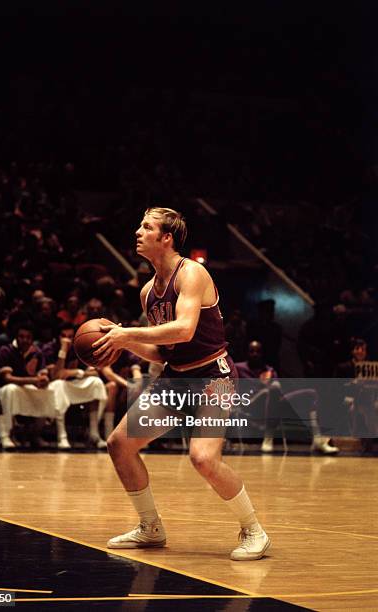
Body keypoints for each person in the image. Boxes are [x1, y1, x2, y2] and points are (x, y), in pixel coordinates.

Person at [93, 207, 270, 561]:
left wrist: (128, 332)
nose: (138, 232)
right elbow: (164, 350)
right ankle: (150, 527)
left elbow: (185, 328)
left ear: (166, 237)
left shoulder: (193, 273)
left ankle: (254, 530)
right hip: (176, 376)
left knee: (203, 458)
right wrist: (124, 342)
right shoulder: (148, 292)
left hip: (213, 376)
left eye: (147, 227)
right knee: (119, 444)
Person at [236, 341, 339, 454]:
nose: (255, 354)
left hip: (272, 405)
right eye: (252, 351)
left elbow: (277, 393)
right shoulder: (238, 368)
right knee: (272, 388)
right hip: (250, 403)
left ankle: (317, 439)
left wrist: (268, 384)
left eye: (258, 351)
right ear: (247, 353)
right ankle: (268, 438)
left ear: (263, 354)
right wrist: (261, 385)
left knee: (310, 394)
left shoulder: (269, 370)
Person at [42, 323, 108, 449]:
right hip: (54, 387)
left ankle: (94, 434)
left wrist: (75, 372)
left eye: (70, 336)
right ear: (58, 337)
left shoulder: (80, 346)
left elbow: (95, 372)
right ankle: (62, 436)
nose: (66, 339)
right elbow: (55, 376)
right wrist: (63, 351)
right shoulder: (49, 348)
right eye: (63, 336)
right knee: (59, 384)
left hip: (75, 382)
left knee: (96, 382)